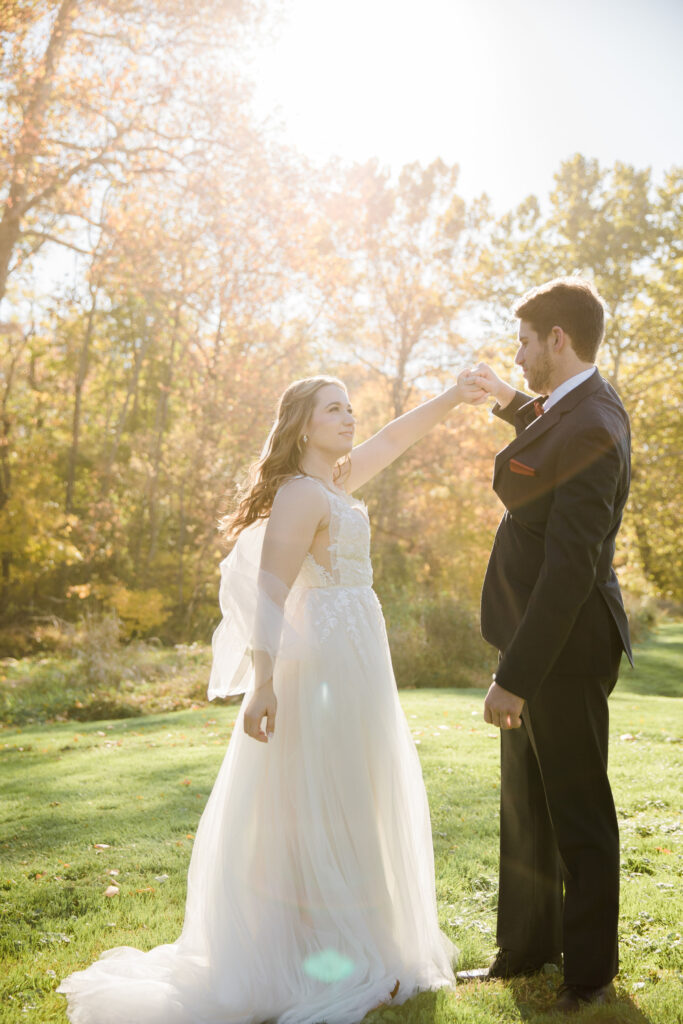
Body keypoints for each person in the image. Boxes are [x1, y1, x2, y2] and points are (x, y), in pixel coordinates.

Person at [58, 372, 487, 1024]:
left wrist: (455, 396)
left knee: (355, 792)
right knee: (320, 798)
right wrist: (261, 683)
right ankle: (318, 952)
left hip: (357, 663)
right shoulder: (298, 496)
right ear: (302, 425)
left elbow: (396, 437)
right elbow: (269, 592)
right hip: (318, 667)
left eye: (350, 407)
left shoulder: (332, 485)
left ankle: (354, 943)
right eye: (334, 409)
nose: (348, 417)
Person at [457, 278, 632, 1014]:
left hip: (563, 648)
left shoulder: (593, 423)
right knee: (526, 804)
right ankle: (524, 946)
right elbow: (544, 429)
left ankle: (587, 973)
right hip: (532, 643)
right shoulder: (576, 407)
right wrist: (505, 398)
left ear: (556, 339)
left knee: (576, 807)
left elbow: (569, 571)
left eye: (524, 341)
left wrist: (514, 677)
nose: (518, 353)